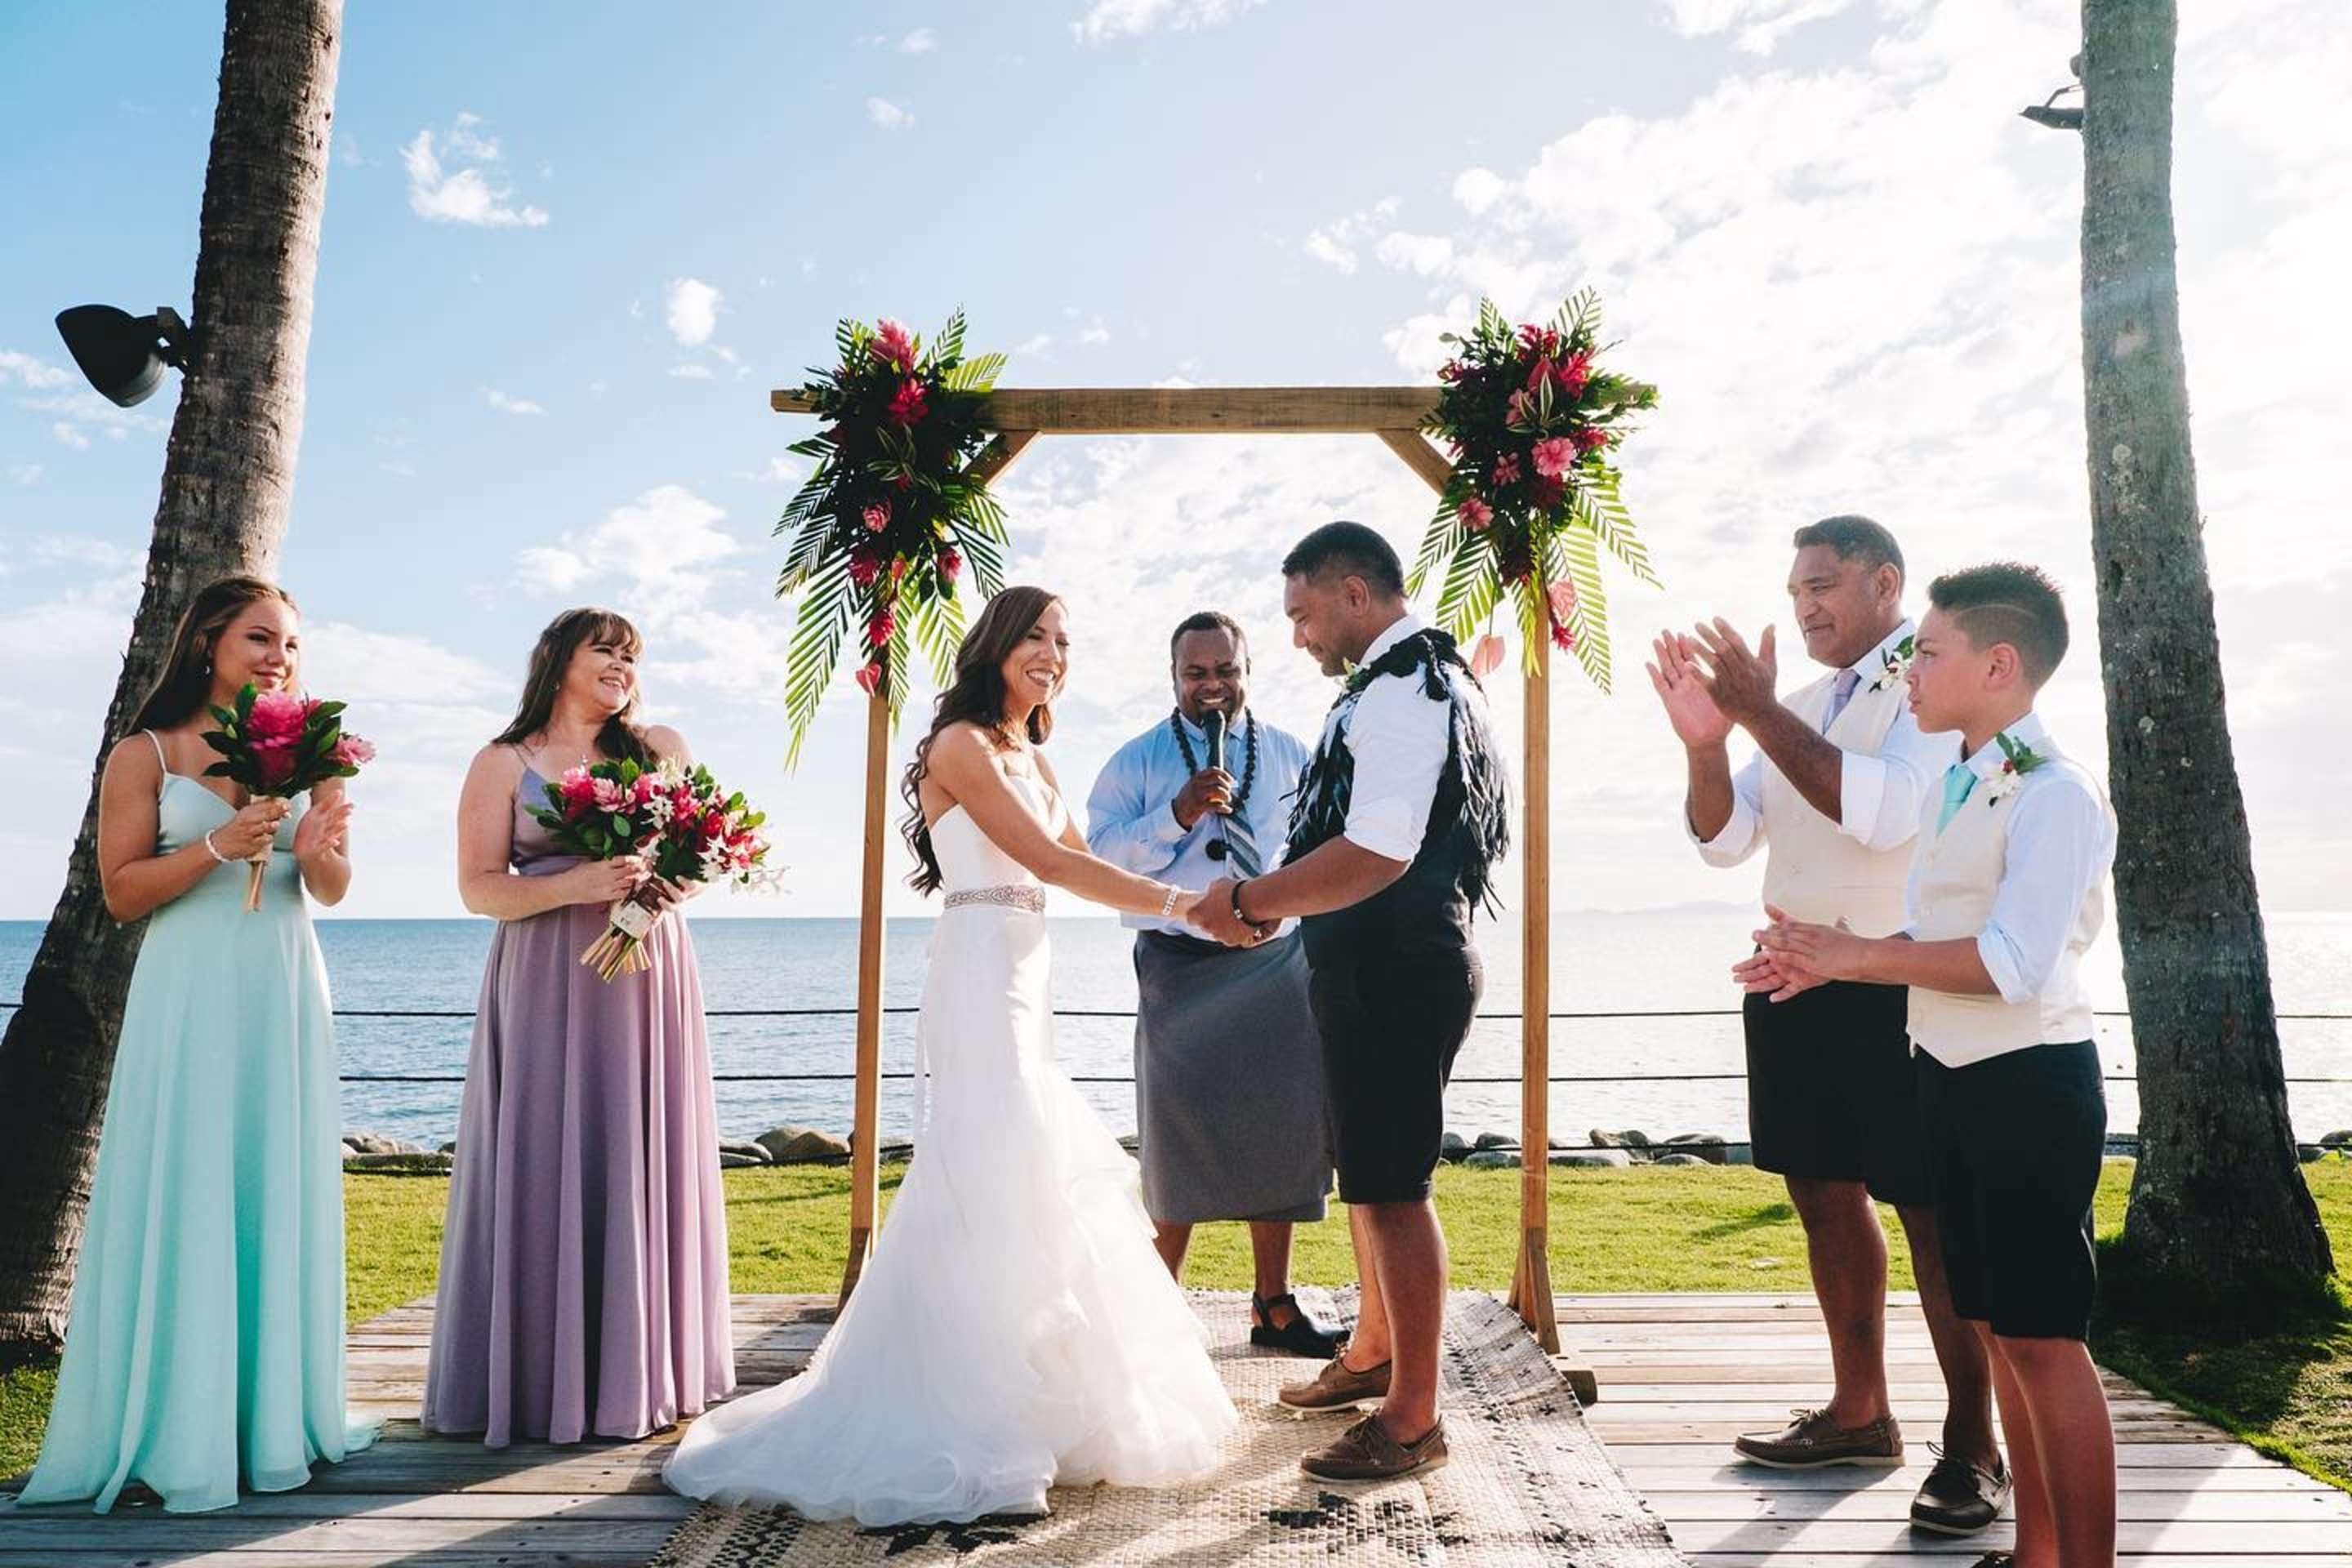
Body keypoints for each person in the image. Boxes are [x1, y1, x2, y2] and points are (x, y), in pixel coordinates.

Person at [663, 586, 1236, 1526]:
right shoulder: (959, 745)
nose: (1052, 653)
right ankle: (976, 1423)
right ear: (997, 646)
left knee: (1025, 1173)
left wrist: (1202, 904)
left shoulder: (1034, 758)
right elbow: (1048, 865)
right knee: (988, 1172)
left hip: (1029, 975)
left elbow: (1084, 866)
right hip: (976, 978)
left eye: (1065, 639)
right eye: (1036, 637)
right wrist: (1187, 907)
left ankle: (1037, 1405)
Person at [1749, 562, 2118, 1568]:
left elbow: (2011, 963)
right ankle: (2036, 1553)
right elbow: (1939, 927)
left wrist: (1858, 955)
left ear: (2000, 665)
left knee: (2045, 1341)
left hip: (2030, 1087)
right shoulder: (1963, 774)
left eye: (1933, 649)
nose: (1911, 665)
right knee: (1998, 1329)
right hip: (1948, 1076)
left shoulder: (2059, 796)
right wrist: (1818, 954)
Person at [1647, 514, 2003, 1534]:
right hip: (1794, 981)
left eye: (1825, 586)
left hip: (1898, 982)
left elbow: (1884, 813)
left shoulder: (1928, 691)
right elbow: (1723, 839)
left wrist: (1755, 713)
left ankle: (1975, 1448)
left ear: (1886, 584)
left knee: (1930, 1213)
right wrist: (1709, 744)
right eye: (1796, 590)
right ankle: (1860, 1413)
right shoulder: (1793, 706)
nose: (1805, 606)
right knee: (1822, 1194)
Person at [22, 577, 374, 1512]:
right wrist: (219, 848)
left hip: (281, 992)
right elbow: (124, 892)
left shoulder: (314, 753)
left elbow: (331, 888)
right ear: (208, 640)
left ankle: (275, 1418)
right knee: (186, 1183)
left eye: (293, 645)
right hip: (187, 996)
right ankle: (176, 1424)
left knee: (271, 1182)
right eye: (261, 637)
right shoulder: (145, 753)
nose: (279, 657)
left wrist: (324, 840)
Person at [1197, 521, 1509, 1486]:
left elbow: (1380, 852)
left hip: (1396, 968)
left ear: (1355, 596)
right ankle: (1373, 1351)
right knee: (1371, 1173)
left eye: (1301, 613)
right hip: (1370, 966)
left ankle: (1414, 1419)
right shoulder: (1405, 681)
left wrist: (1251, 902)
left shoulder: (1409, 691)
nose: (1296, 635)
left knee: (1393, 1188)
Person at [423, 608, 733, 1446]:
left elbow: (699, 859)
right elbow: (479, 888)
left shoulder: (659, 748)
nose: (622, 666)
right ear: (557, 659)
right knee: (541, 1149)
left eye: (632, 656)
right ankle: (529, 1383)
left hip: (645, 976)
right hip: (545, 980)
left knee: (639, 1147)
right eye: (606, 649)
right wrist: (577, 884)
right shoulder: (502, 761)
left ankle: (643, 1374)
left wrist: (653, 898)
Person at [1085, 609, 1339, 1356]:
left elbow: (1324, 847)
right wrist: (1176, 814)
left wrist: (1278, 907)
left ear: (1247, 671)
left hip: (1276, 964)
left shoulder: (1296, 753)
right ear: (1173, 677)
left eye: (1225, 670)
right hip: (1178, 966)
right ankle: (1157, 1315)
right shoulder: (1135, 763)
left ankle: (1274, 1308)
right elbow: (1102, 862)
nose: (1212, 686)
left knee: (1282, 1131)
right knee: (1175, 1136)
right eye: (1196, 673)